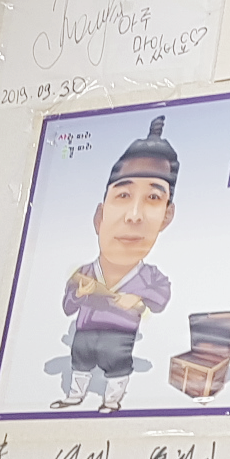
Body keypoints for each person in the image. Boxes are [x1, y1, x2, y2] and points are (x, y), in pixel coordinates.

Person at [57, 116, 177, 411]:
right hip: (85, 335)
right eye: (123, 195)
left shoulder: (149, 276)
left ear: (166, 218)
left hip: (119, 337)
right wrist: (79, 293)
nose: (134, 216)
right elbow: (68, 306)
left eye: (153, 197)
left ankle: (111, 402)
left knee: (118, 369)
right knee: (80, 363)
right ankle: (74, 396)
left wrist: (139, 298)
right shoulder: (86, 272)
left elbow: (161, 296)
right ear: (99, 217)